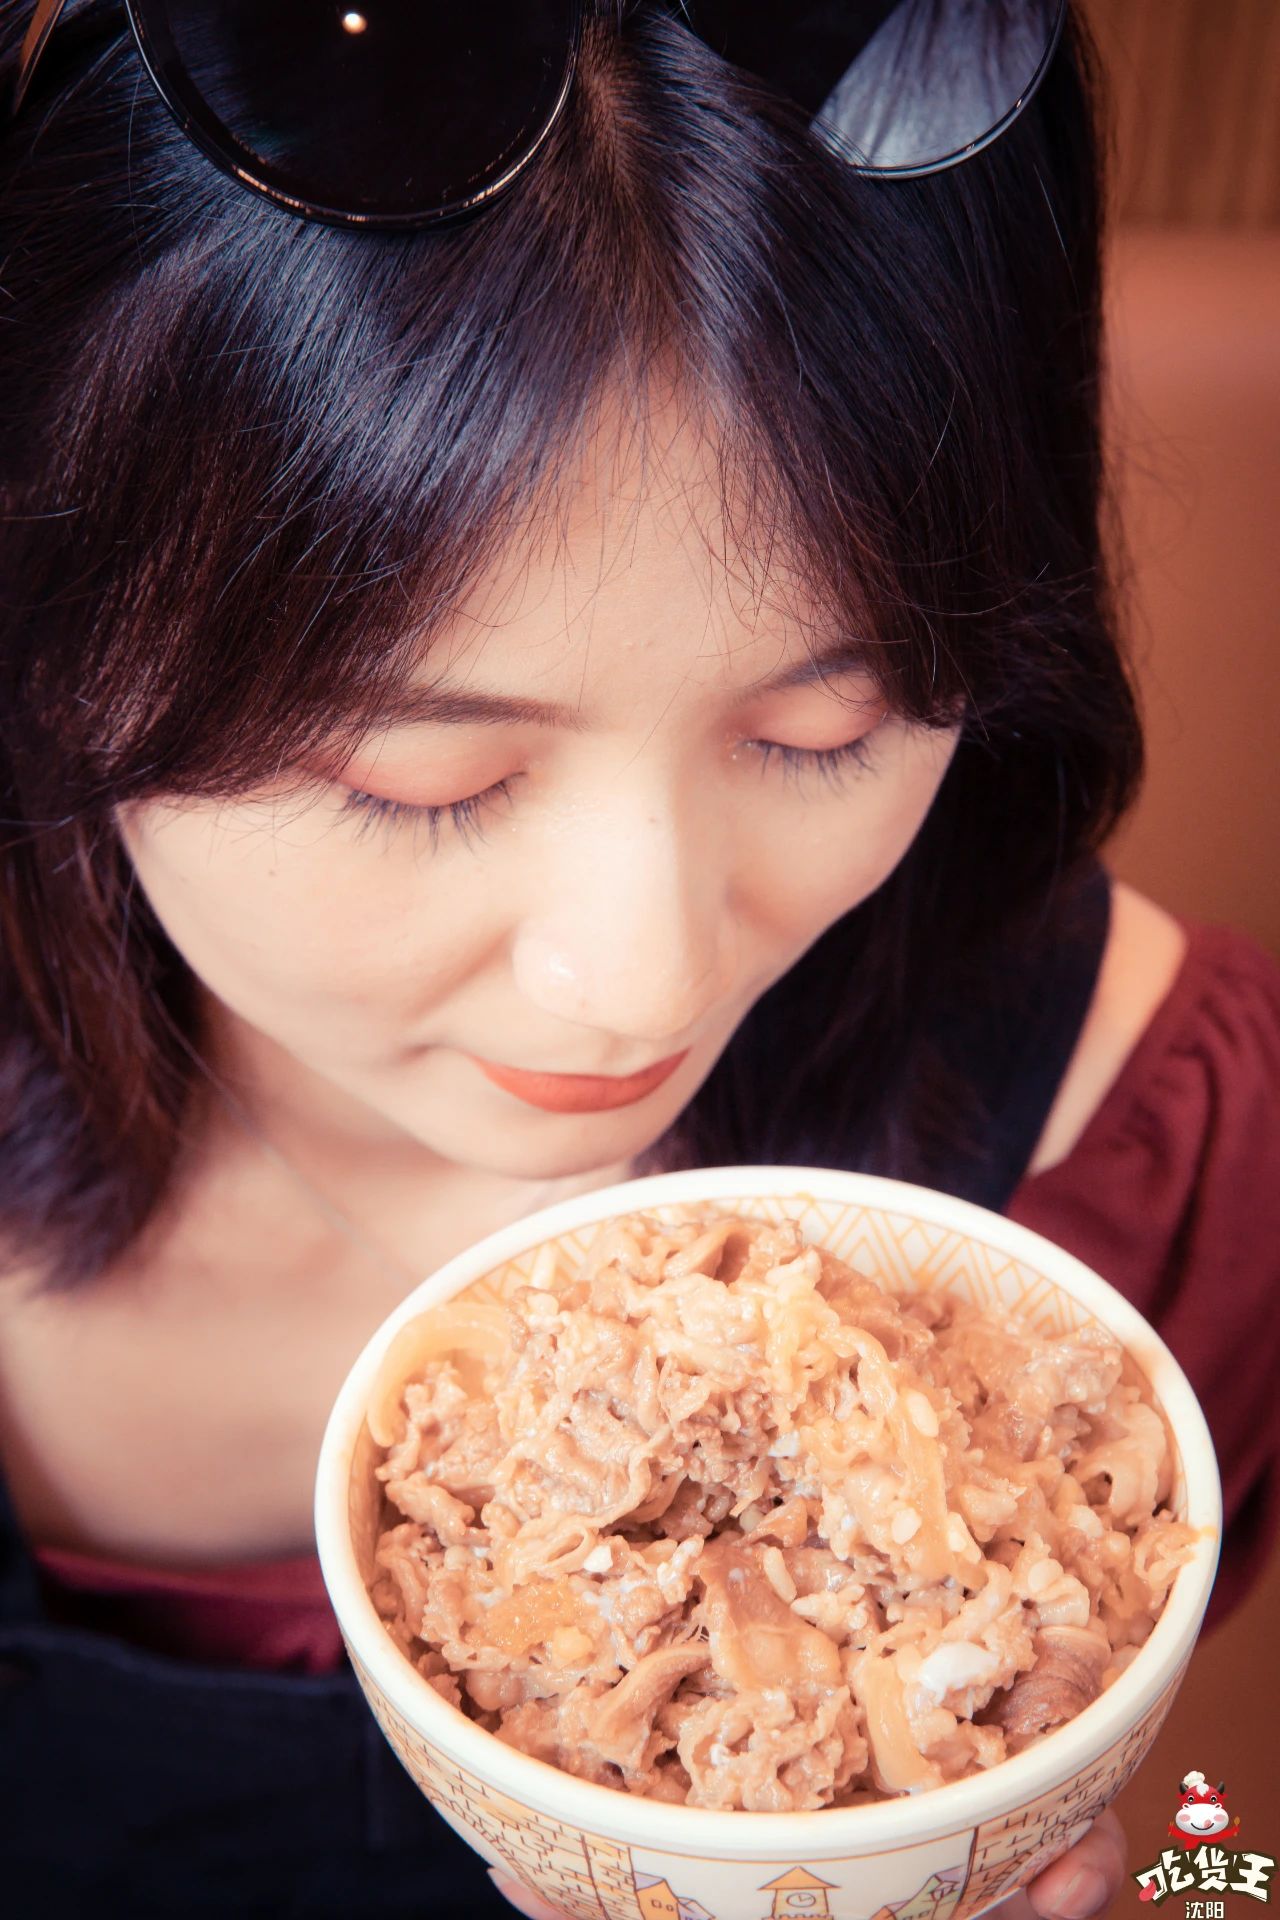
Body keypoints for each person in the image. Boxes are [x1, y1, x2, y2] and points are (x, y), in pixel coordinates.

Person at [1, 2, 1276, 1915]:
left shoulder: (1166, 1174)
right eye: (422, 778)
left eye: (826, 733)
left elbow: (1222, 1856)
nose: (646, 981)